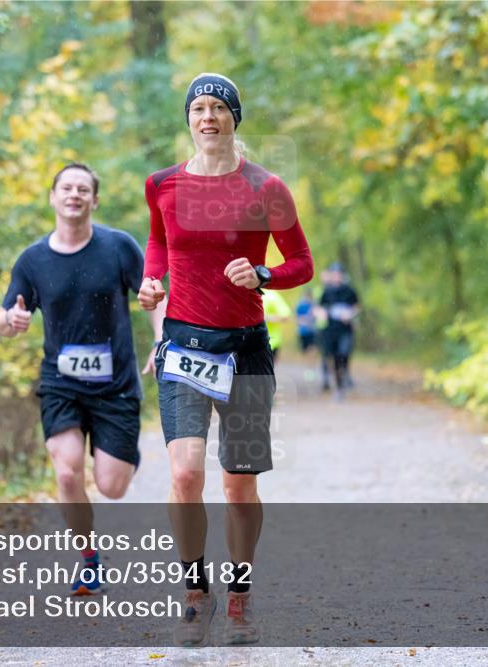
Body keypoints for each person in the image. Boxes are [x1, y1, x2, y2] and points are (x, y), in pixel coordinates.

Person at [138, 72, 313, 646]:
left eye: (219, 107)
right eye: (198, 108)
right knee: (186, 472)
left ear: (235, 118)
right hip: (184, 345)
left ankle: (239, 587)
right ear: (187, 119)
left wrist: (262, 272)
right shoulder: (162, 184)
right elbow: (161, 241)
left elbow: (301, 264)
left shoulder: (267, 187)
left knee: (239, 486)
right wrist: (152, 281)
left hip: (245, 349)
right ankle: (194, 588)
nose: (207, 116)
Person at [0, 163, 163, 595]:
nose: (74, 194)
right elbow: (7, 311)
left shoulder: (118, 247)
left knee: (111, 487)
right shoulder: (33, 260)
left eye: (83, 189)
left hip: (117, 385)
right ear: (53, 197)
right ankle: (89, 561)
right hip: (61, 383)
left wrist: (163, 339)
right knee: (67, 474)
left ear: (94, 201)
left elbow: (154, 293)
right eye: (66, 188)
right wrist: (10, 320)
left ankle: (121, 456)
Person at [317, 263, 360, 398]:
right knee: (335, 358)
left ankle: (345, 374)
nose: (337, 276)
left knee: (344, 353)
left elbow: (357, 306)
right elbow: (319, 307)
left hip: (345, 329)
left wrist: (350, 314)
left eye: (339, 274)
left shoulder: (349, 290)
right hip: (331, 330)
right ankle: (339, 388)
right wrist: (322, 313)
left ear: (342, 275)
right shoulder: (327, 291)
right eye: (334, 274)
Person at [262, 289, 292, 364]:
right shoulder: (246, 291)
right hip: (249, 342)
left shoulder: (272, 295)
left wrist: (268, 318)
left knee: (263, 373)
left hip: (271, 342)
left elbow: (286, 316)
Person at [295, 289, 316, 353]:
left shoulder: (312, 304)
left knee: (312, 348)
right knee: (304, 349)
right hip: (303, 330)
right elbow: (297, 317)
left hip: (311, 330)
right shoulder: (301, 305)